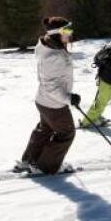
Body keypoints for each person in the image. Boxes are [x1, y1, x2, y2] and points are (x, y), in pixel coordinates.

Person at [14, 17, 81, 175]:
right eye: (66, 30)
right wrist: (68, 98)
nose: (70, 33)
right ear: (57, 33)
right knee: (66, 133)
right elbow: (51, 87)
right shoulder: (54, 56)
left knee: (45, 130)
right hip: (54, 104)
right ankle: (44, 166)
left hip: (44, 101)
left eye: (70, 29)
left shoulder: (48, 45)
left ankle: (29, 160)